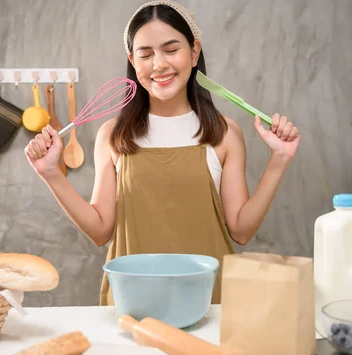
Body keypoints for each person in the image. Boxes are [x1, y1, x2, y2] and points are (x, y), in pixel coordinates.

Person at [25, 0, 300, 306]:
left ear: (194, 53)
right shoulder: (113, 136)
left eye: (171, 50)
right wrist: (51, 174)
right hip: (133, 302)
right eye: (146, 54)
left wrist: (280, 160)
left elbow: (242, 230)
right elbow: (101, 230)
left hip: (208, 302)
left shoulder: (225, 133)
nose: (159, 64)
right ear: (132, 59)